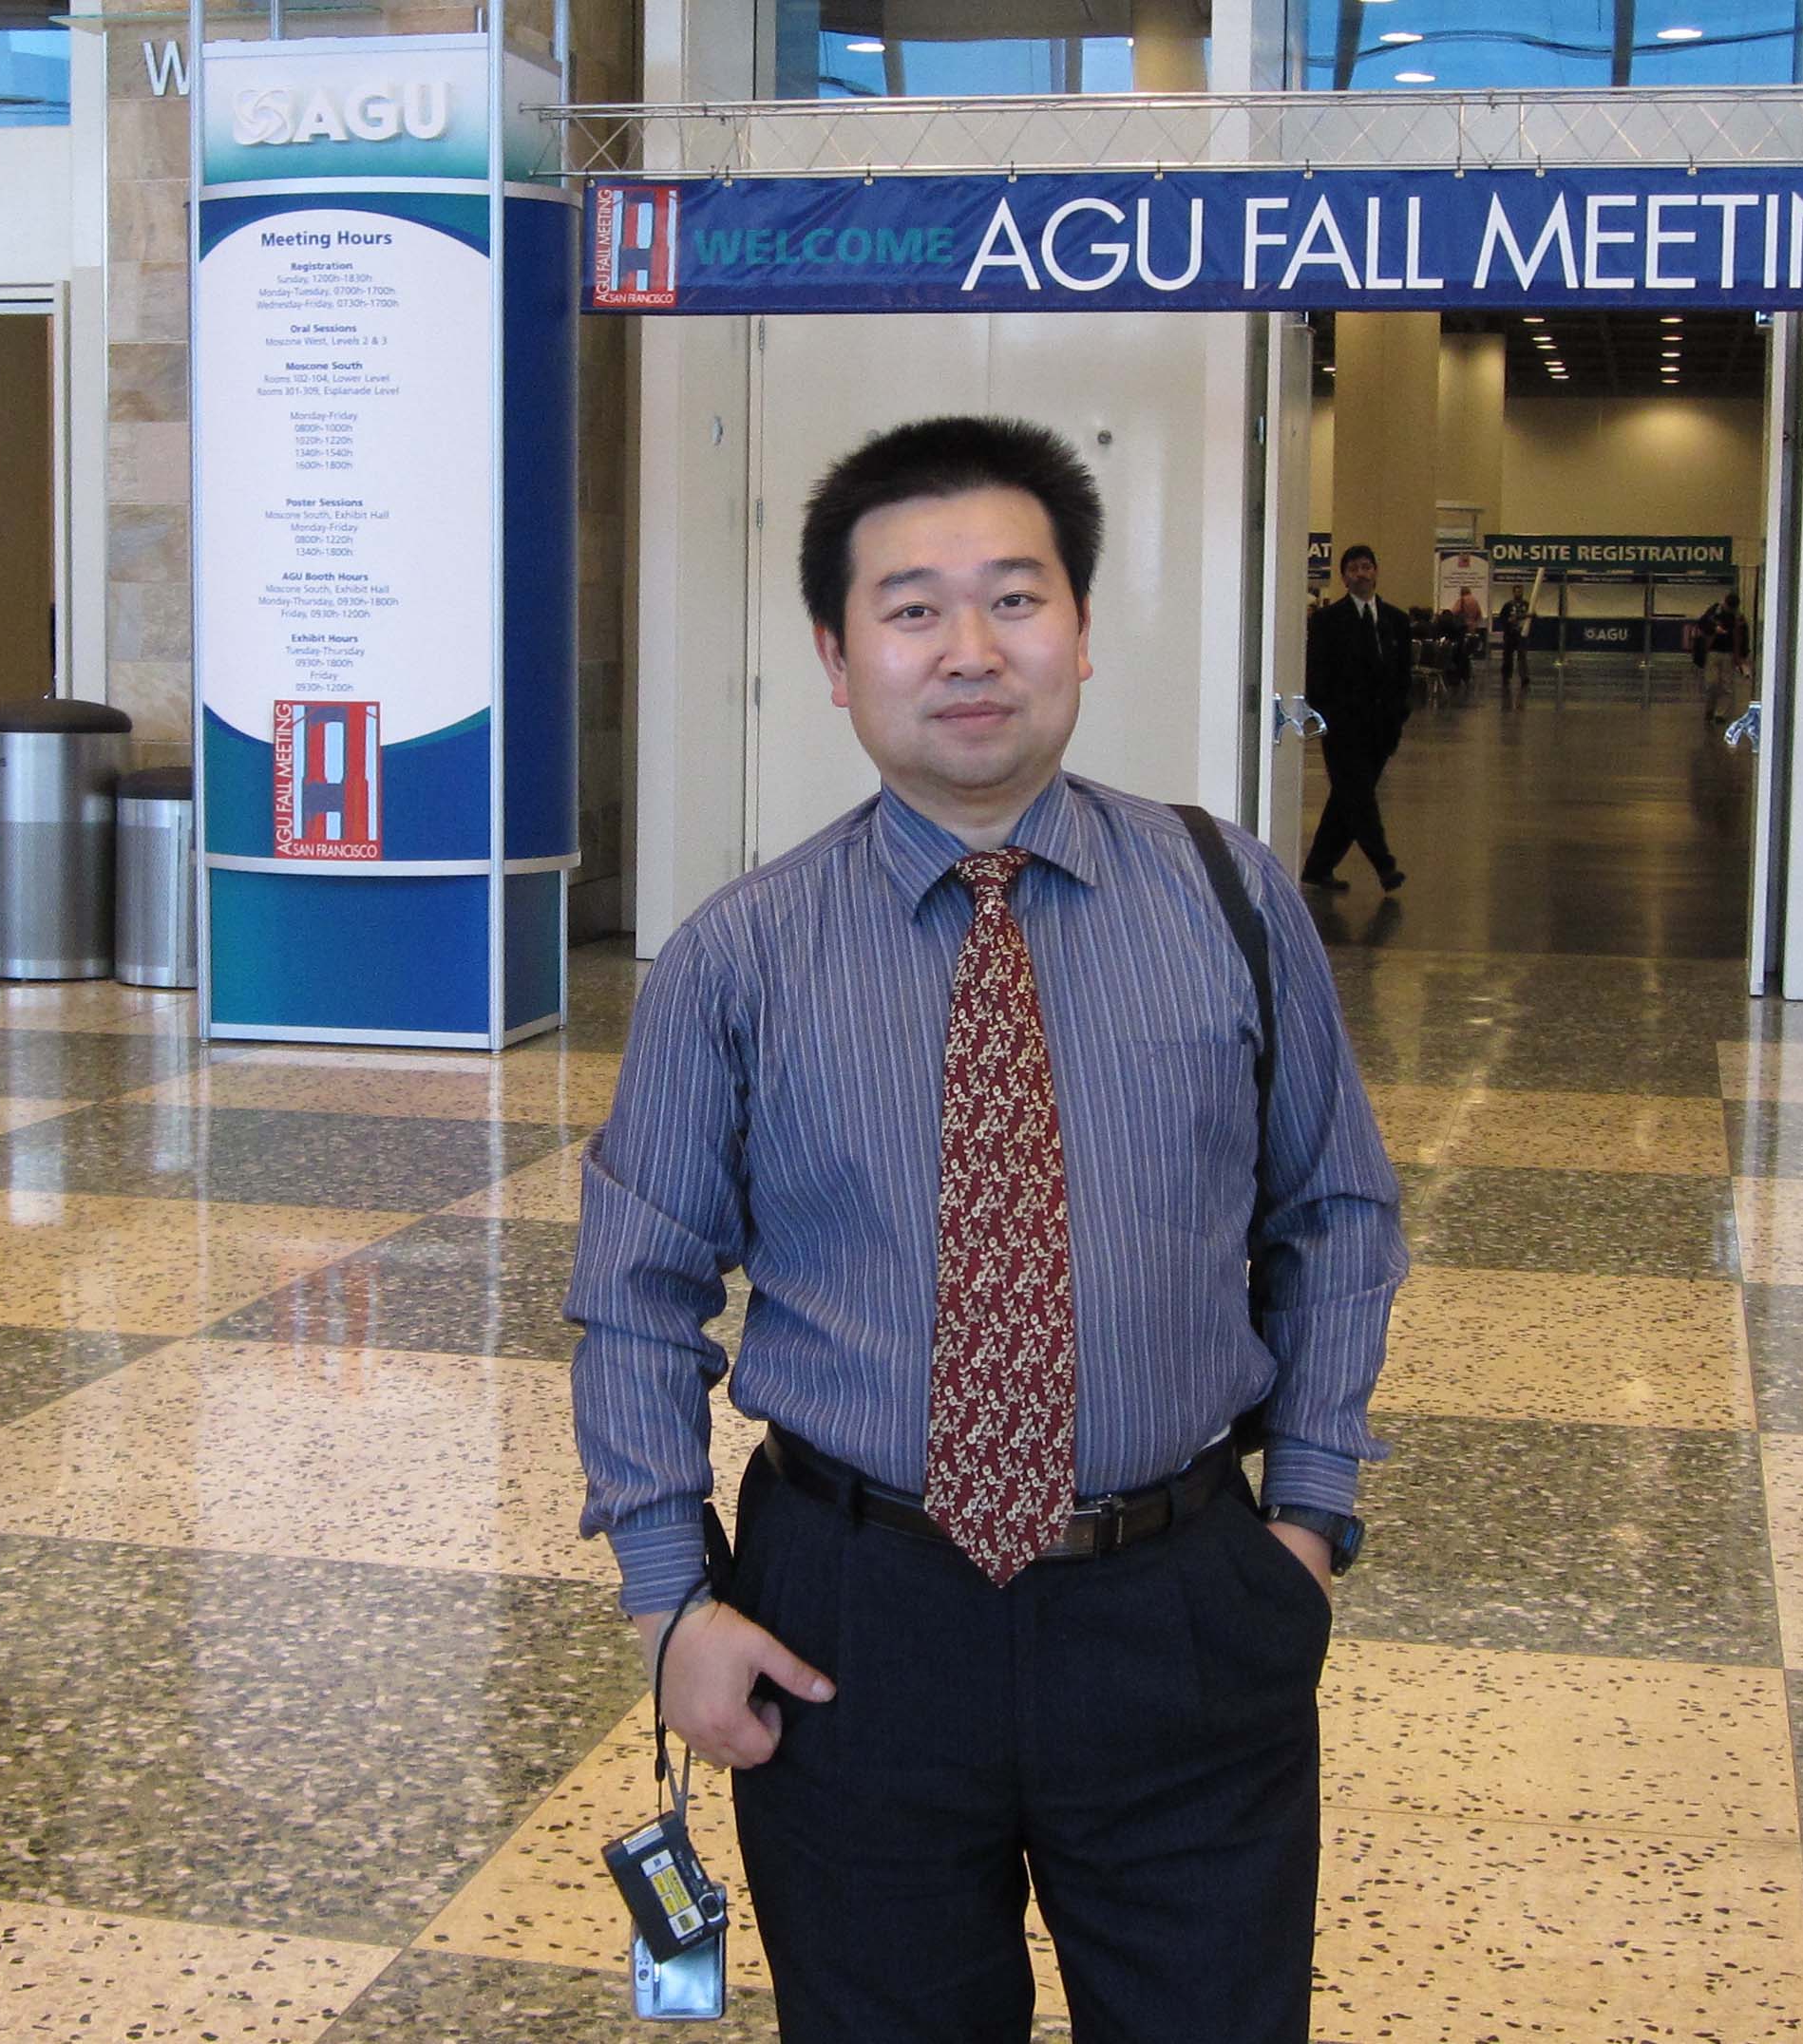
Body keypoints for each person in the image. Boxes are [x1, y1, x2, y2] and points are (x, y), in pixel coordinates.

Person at [569, 415, 1409, 2044]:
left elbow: (1334, 1210)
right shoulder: (738, 955)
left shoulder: (1229, 897)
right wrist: (671, 1599)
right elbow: (635, 1286)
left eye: (1014, 599)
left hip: (1178, 1606)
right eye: (911, 609)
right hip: (850, 1622)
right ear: (836, 660)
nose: (968, 648)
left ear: (1080, 632)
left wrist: (1304, 1524)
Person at [1300, 542, 1413, 892]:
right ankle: (1385, 866)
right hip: (1343, 729)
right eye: (1353, 569)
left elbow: (1403, 675)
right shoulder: (1327, 621)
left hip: (1381, 730)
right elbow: (1317, 674)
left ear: (1375, 572)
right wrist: (1328, 715)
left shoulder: (1396, 621)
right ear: (1344, 578)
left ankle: (1318, 868)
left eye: (1366, 567)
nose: (1361, 574)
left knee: (1346, 799)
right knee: (1360, 798)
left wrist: (1398, 716)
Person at [1699, 591, 1752, 723]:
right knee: (1712, 683)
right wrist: (1714, 628)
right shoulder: (1714, 611)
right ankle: (1710, 709)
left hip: (1729, 653)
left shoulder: (1738, 618)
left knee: (1726, 685)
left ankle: (1720, 714)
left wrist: (1742, 656)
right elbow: (1702, 623)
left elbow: (1743, 637)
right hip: (1713, 651)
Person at [1496, 590, 1533, 694]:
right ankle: (1506, 676)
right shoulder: (1508, 605)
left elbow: (1533, 616)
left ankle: (1524, 677)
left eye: (1520, 592)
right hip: (1510, 635)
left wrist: (1529, 616)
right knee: (1507, 656)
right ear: (1513, 593)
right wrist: (1508, 621)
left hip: (1522, 635)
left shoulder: (1526, 605)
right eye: (1517, 592)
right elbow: (1502, 618)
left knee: (1522, 656)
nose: (1518, 594)